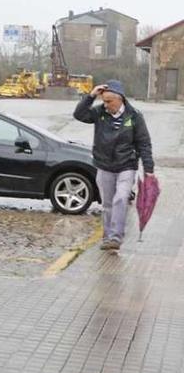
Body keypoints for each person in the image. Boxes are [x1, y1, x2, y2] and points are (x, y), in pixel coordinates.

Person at [74, 79, 154, 251]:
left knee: (121, 198)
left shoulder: (134, 116)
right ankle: (108, 238)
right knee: (108, 204)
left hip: (127, 165)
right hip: (104, 165)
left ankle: (116, 237)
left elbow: (144, 143)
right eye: (104, 101)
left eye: (109, 101)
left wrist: (149, 169)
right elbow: (79, 115)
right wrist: (91, 96)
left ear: (120, 99)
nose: (106, 104)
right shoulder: (99, 113)